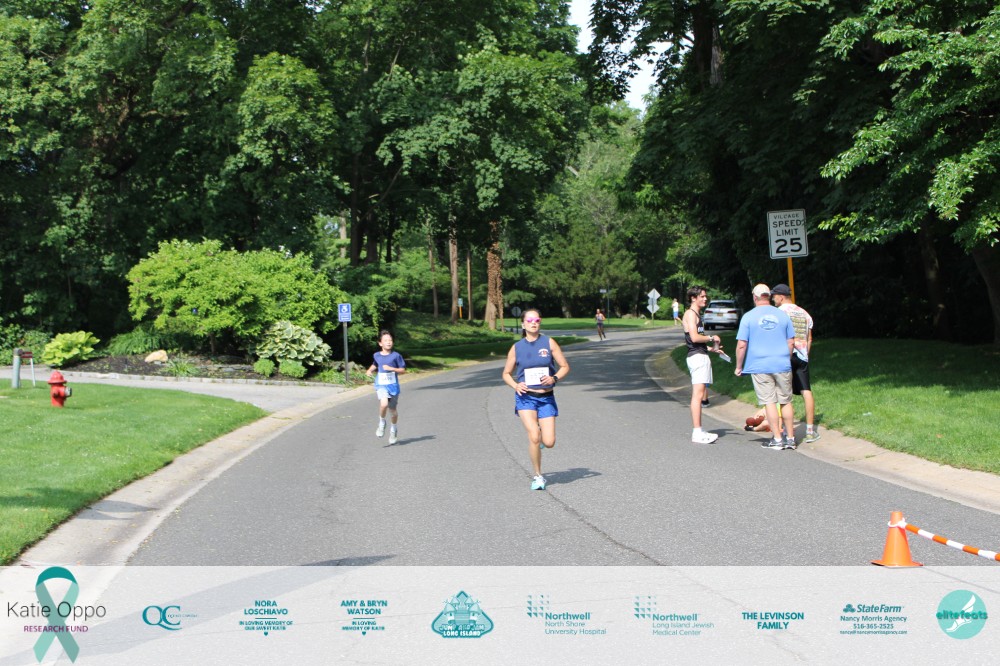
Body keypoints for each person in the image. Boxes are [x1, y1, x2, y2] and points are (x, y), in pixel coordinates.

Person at [502, 309, 570, 490]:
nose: (533, 323)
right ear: (523, 324)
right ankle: (538, 476)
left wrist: (554, 378)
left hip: (546, 397)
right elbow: (506, 374)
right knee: (534, 436)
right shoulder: (517, 347)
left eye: (537, 320)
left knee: (549, 442)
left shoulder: (549, 342)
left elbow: (564, 366)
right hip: (526, 398)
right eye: (530, 320)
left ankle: (540, 439)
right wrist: (516, 385)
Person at [734, 284, 796, 450]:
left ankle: (777, 439)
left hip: (760, 365)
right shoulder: (782, 315)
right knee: (785, 401)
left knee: (770, 401)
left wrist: (739, 366)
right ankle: (790, 438)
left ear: (755, 297)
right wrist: (786, 358)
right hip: (782, 363)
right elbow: (791, 342)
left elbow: (742, 345)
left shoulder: (748, 317)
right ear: (769, 296)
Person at [771, 283, 820, 443]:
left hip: (785, 355)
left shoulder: (778, 313)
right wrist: (805, 354)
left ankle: (784, 431)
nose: (773, 299)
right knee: (806, 391)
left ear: (781, 297)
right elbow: (809, 338)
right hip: (802, 356)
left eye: (774, 296)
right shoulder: (804, 313)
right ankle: (810, 431)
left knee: (783, 393)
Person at [682, 285, 725, 444]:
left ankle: (699, 430)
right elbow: (694, 338)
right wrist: (712, 337)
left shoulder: (696, 314)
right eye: (702, 296)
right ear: (693, 298)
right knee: (698, 395)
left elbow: (694, 341)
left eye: (705, 296)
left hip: (700, 355)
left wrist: (711, 349)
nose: (705, 299)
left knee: (699, 394)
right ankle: (697, 432)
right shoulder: (690, 314)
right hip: (697, 358)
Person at [365, 330, 406, 445]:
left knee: (393, 411)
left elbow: (402, 370)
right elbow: (375, 364)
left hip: (393, 387)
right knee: (383, 404)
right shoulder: (376, 355)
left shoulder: (396, 356)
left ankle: (393, 429)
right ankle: (382, 422)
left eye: (390, 340)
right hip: (381, 385)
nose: (388, 342)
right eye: (386, 340)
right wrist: (369, 370)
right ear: (380, 343)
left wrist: (392, 369)